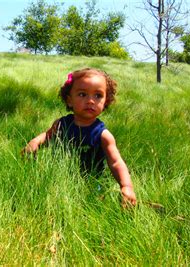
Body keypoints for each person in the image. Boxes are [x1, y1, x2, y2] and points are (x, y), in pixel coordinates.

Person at [22, 68, 137, 206]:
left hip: (91, 185)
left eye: (98, 95)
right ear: (69, 100)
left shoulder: (103, 135)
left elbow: (116, 162)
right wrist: (35, 142)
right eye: (82, 94)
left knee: (92, 205)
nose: (90, 101)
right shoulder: (61, 124)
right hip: (58, 180)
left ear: (106, 102)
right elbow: (47, 136)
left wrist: (127, 186)